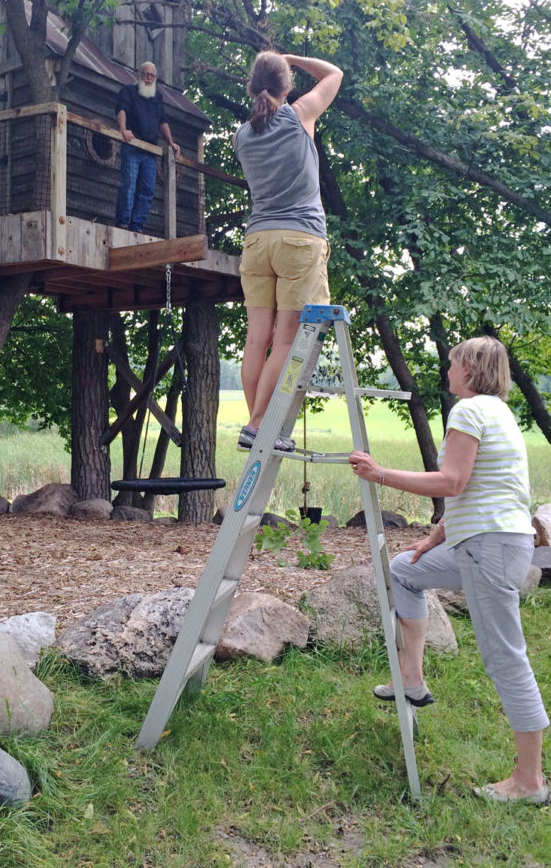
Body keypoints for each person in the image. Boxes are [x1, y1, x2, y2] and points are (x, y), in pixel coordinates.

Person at [349, 335, 548, 804]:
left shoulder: (470, 411)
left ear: (471, 369)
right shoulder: (496, 413)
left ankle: (530, 782)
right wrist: (435, 537)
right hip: (487, 542)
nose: (448, 369)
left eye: (454, 362)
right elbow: (478, 490)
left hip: (489, 548)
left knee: (506, 659)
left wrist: (380, 474)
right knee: (404, 569)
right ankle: (412, 679)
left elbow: (452, 481)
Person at [233, 51, 343, 452]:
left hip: (257, 242)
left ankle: (256, 424)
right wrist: (294, 57)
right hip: (299, 240)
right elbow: (334, 73)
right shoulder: (299, 115)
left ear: (252, 85)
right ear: (287, 84)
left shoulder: (242, 135)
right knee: (285, 340)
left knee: (256, 338)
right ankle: (263, 422)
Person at [114, 62, 180, 232]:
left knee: (148, 190)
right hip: (133, 147)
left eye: (152, 75)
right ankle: (123, 222)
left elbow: (163, 121)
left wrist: (171, 142)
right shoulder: (128, 91)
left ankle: (137, 225)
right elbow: (121, 110)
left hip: (150, 152)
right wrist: (123, 130)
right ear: (139, 74)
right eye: (146, 74)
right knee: (129, 184)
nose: (149, 78)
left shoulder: (157, 97)